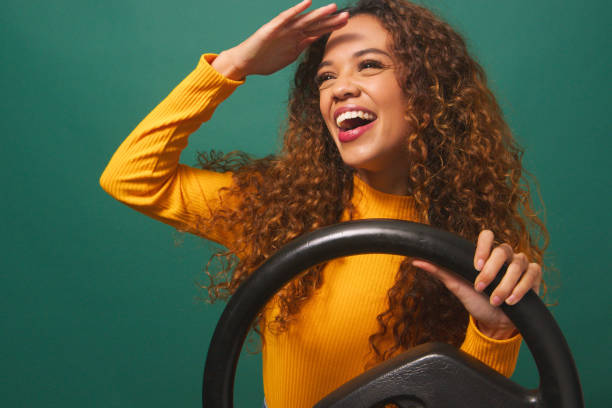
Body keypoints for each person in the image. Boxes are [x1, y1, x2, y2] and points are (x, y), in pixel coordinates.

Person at [100, 0, 547, 406]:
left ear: (429, 92)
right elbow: (132, 176)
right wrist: (233, 65)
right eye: (326, 77)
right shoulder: (279, 210)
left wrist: (495, 331)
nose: (340, 89)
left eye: (369, 65)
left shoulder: (481, 248)